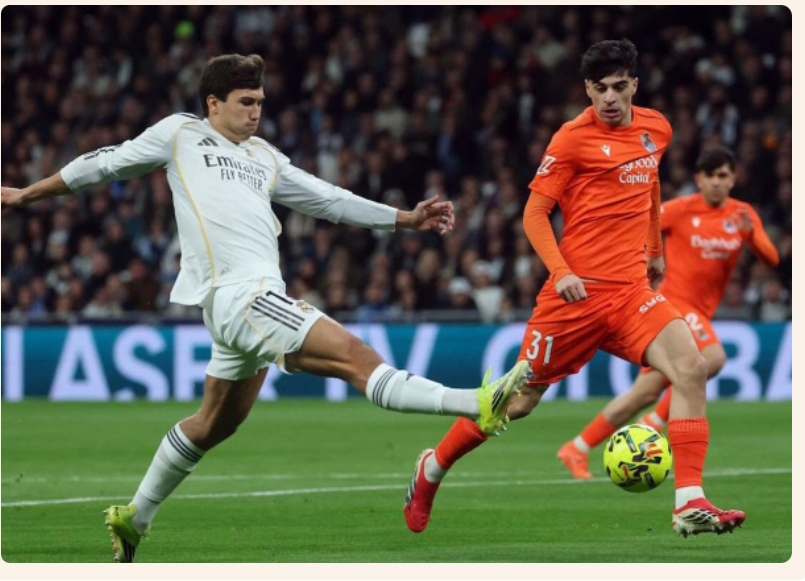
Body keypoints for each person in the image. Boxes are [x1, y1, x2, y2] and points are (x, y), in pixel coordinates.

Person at [0, 54, 529, 563]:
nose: (255, 112)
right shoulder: (181, 134)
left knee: (213, 424)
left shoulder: (264, 157)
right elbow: (102, 164)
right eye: (245, 102)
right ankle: (477, 401)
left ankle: (134, 517)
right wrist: (27, 194)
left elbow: (329, 198)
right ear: (213, 103)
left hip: (247, 302)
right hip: (241, 297)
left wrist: (403, 219)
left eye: (260, 102)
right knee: (356, 357)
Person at [402, 40, 746, 538]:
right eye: (599, 88)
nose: (609, 98)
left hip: (630, 294)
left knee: (691, 368)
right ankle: (432, 468)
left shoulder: (657, 128)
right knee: (515, 404)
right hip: (574, 299)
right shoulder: (571, 139)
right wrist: (561, 271)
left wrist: (654, 248)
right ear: (587, 88)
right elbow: (535, 213)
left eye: (619, 87)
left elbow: (650, 183)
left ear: (635, 84)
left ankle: (688, 502)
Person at [557, 145, 780, 479]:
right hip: (673, 304)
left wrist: (752, 235)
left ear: (733, 179)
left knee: (644, 393)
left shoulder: (742, 215)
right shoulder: (681, 209)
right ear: (699, 179)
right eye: (710, 176)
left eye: (723, 175)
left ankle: (577, 447)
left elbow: (771, 258)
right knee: (713, 358)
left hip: (698, 311)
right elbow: (643, 222)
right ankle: (655, 421)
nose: (716, 182)